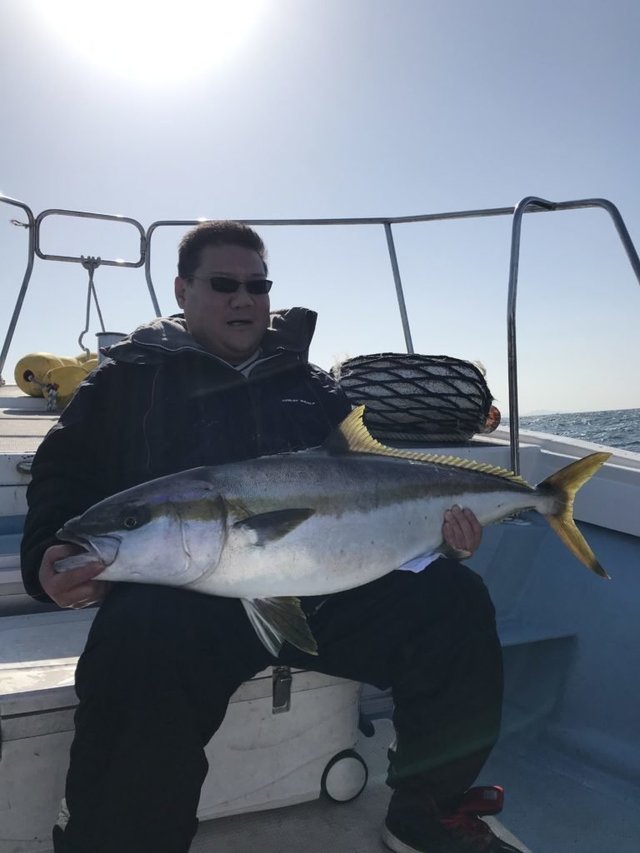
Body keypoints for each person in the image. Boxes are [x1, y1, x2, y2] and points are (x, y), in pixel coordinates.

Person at [21, 221, 518, 853]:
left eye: (258, 286)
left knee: (455, 602)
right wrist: (48, 552)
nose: (243, 299)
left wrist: (433, 539)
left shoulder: (307, 384)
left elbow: (369, 475)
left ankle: (426, 813)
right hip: (188, 598)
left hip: (324, 583)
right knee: (136, 643)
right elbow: (63, 473)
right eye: (223, 283)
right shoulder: (126, 380)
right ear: (181, 290)